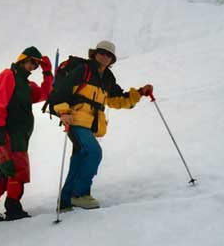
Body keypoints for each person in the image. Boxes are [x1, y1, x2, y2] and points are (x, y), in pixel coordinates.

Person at [48, 40, 153, 210]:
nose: (105, 57)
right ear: (94, 53)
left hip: (90, 124)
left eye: (109, 55)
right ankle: (79, 194)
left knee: (79, 158)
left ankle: (65, 202)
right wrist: (64, 112)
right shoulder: (83, 70)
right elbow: (62, 91)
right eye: (102, 53)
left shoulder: (107, 78)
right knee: (94, 152)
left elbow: (118, 100)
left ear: (112, 60)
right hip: (75, 120)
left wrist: (139, 93)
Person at [0, 46, 53, 224]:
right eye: (31, 62)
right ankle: (13, 208)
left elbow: (45, 94)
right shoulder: (8, 75)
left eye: (36, 65)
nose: (33, 67)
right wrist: (1, 128)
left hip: (19, 134)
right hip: (9, 131)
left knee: (5, 170)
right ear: (22, 59)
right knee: (17, 168)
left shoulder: (26, 84)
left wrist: (47, 73)